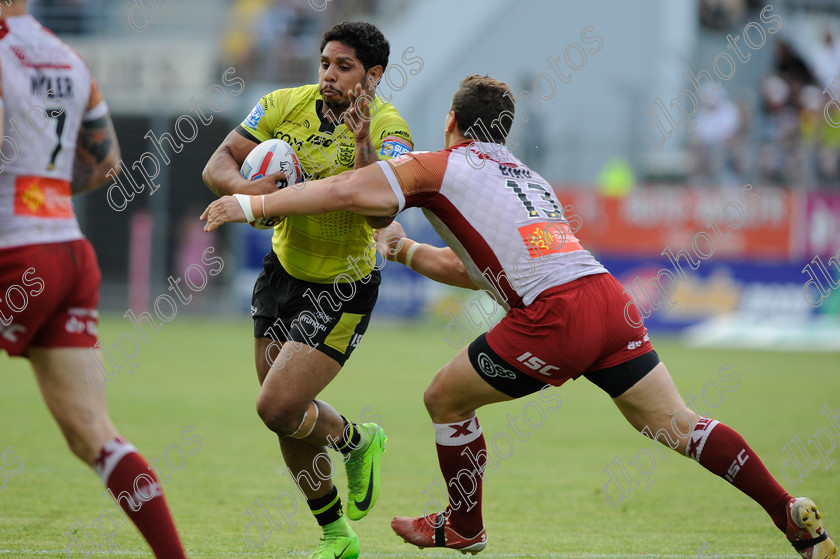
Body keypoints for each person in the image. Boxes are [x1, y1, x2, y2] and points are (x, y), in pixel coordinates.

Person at [201, 75, 837, 559]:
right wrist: (402, 248)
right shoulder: (526, 177)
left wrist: (254, 207)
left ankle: (464, 527)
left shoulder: (442, 167)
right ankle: (788, 512)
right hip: (606, 299)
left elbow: (345, 191)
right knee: (680, 425)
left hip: (556, 314)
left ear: (452, 122)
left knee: (443, 398)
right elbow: (475, 270)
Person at [201, 21, 413, 559]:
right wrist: (245, 190)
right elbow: (217, 164)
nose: (328, 76)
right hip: (281, 274)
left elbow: (380, 213)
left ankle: (358, 439)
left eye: (343, 68)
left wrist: (363, 144)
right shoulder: (281, 104)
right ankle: (336, 534)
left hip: (342, 287)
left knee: (277, 406)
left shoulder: (390, 128)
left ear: (374, 76)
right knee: (288, 421)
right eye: (325, 64)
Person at [0, 1, 188, 557]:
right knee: (93, 436)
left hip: (14, 252)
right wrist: (45, 192)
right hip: (67, 249)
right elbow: (107, 162)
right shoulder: (68, 58)